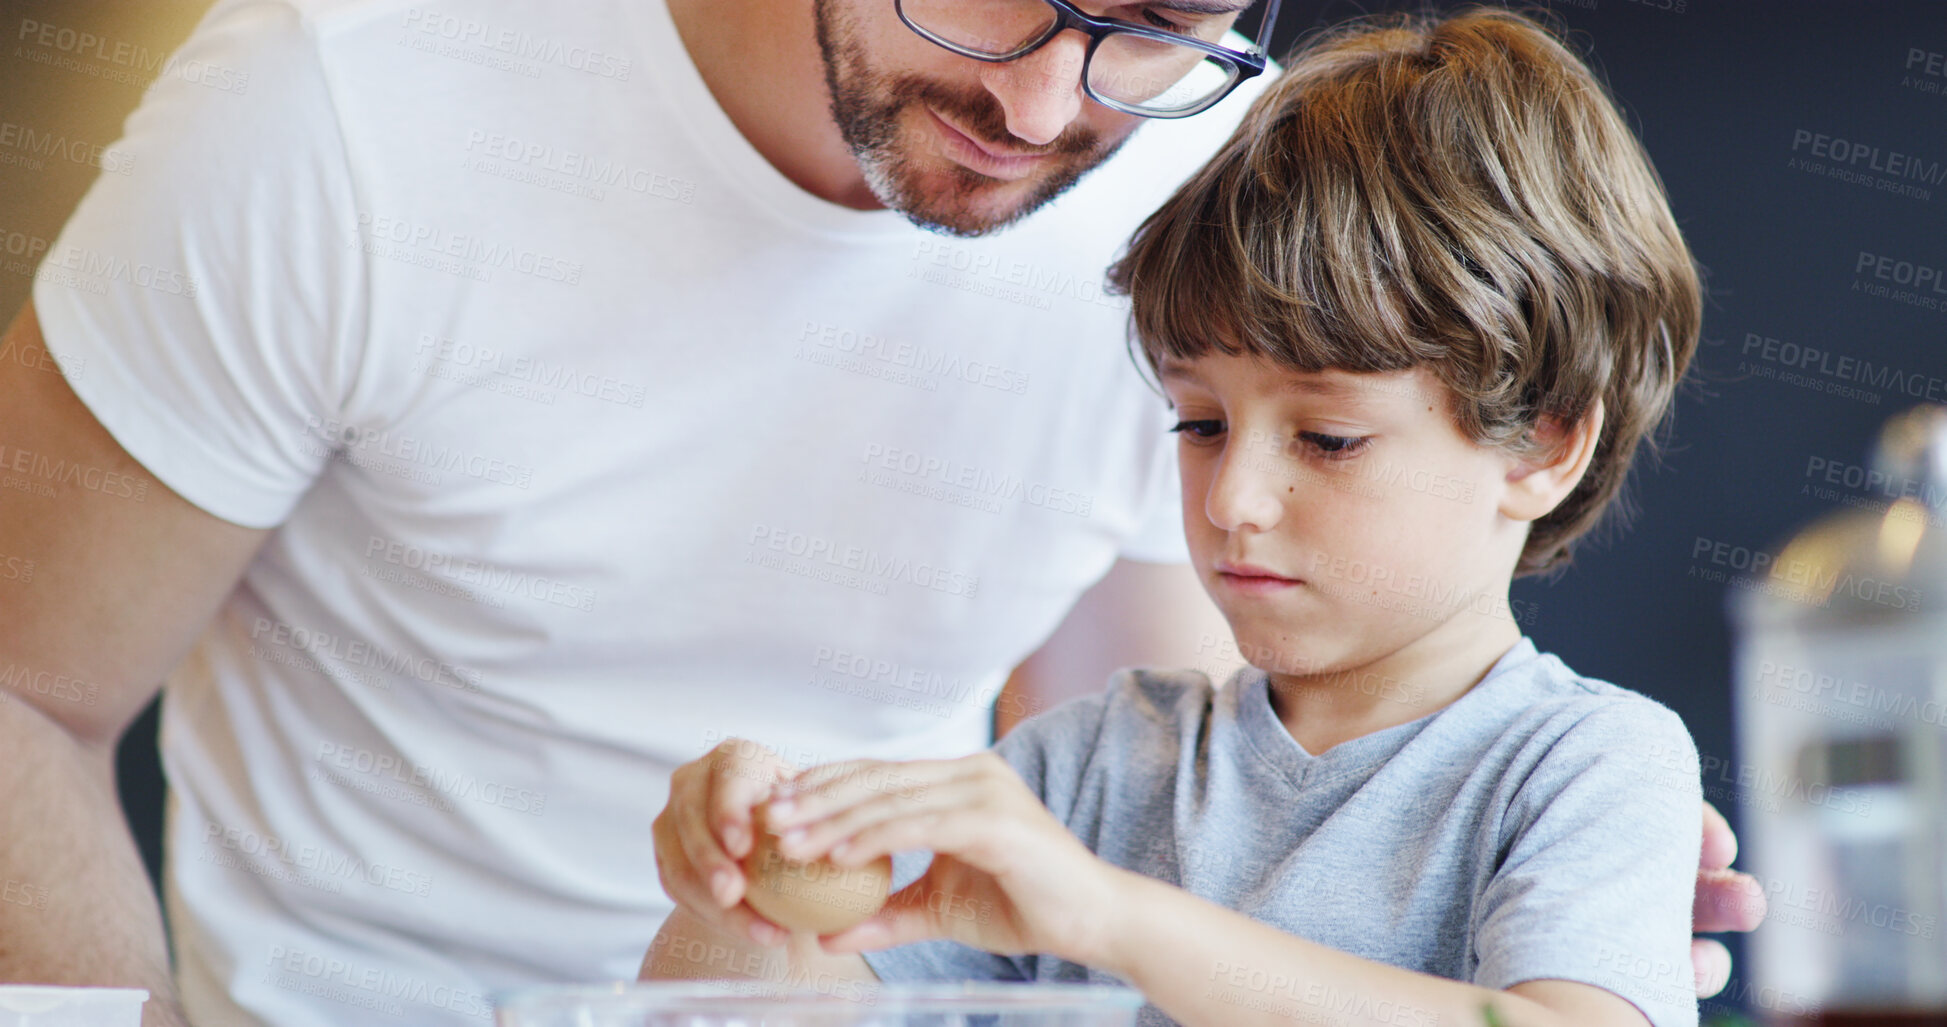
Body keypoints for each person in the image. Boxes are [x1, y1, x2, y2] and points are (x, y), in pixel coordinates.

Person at [0, 0, 1757, 1023]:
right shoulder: (351, 97)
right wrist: (753, 887)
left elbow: (1190, 815)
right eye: (1198, 422)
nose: (1053, 105)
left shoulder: (1218, 189)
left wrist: (1509, 877)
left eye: (1160, 20)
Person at [642, 8, 1747, 1027]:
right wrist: (749, 888)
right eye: (1200, 425)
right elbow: (776, 1003)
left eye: (1328, 439)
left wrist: (1112, 919)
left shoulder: (1585, 766)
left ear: (1546, 441)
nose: (1232, 499)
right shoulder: (1097, 766)